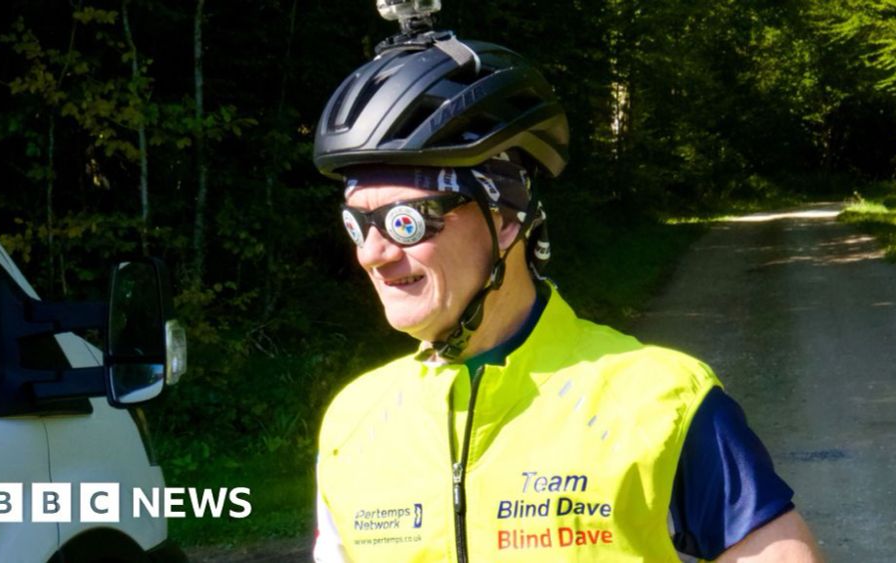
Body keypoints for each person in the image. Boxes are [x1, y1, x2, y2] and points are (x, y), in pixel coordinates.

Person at [311, 23, 822, 563]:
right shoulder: (355, 420)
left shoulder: (661, 401)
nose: (373, 253)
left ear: (504, 220)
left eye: (406, 221)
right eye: (357, 224)